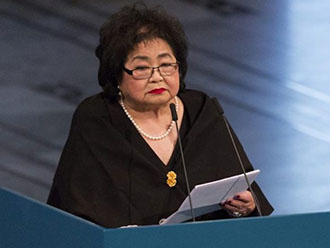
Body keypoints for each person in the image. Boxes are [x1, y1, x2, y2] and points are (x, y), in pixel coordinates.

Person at [47, 3, 273, 228]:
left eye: (166, 65)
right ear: (117, 75)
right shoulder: (97, 119)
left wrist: (246, 206)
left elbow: (246, 192)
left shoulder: (202, 110)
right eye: (142, 68)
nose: (156, 77)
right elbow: (73, 211)